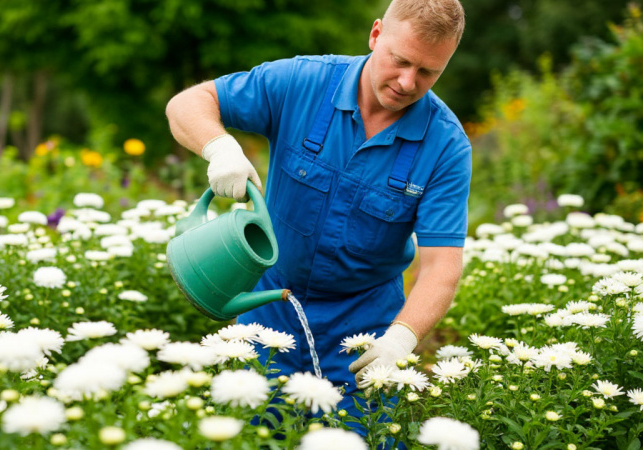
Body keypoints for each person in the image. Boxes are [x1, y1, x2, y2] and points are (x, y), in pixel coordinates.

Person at [165, 0, 469, 436]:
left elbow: (441, 267)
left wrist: (401, 338)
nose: (407, 82)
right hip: (270, 309)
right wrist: (219, 147)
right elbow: (188, 103)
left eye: (428, 73)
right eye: (400, 61)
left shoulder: (446, 145)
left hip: (366, 328)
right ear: (376, 34)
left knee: (364, 438)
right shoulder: (304, 81)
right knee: (249, 439)